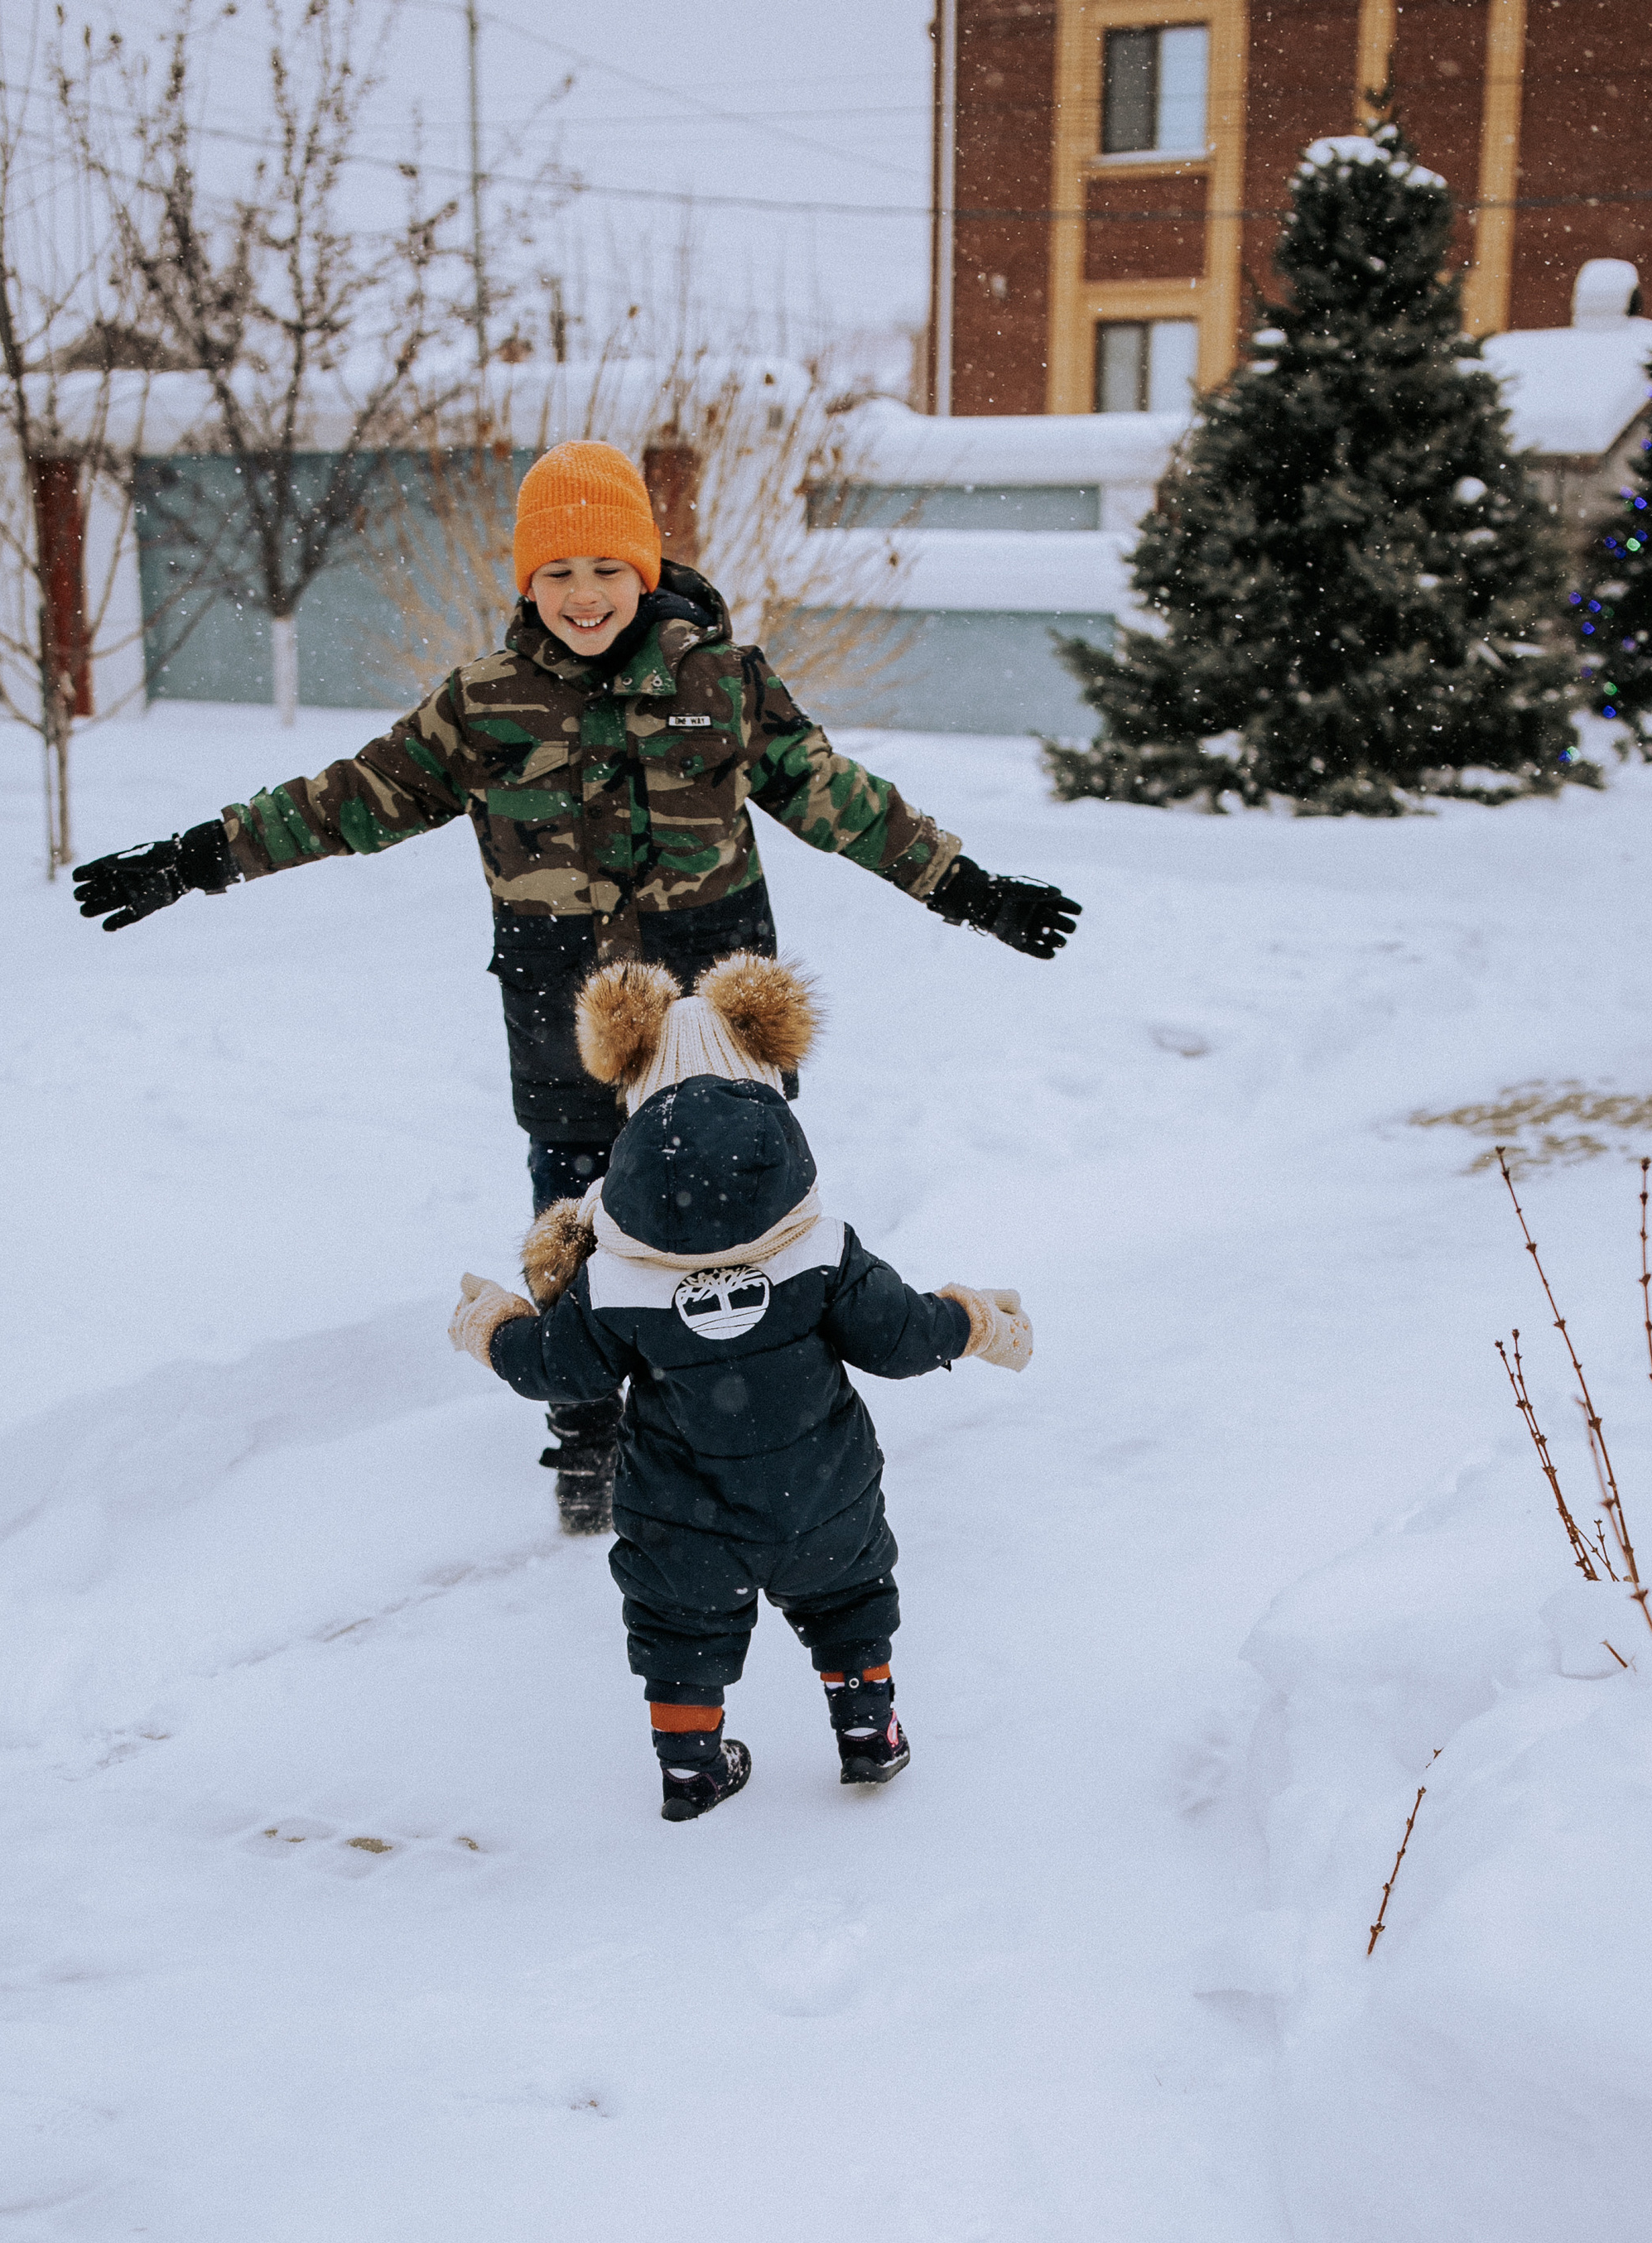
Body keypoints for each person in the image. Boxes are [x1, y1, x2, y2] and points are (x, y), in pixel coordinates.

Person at [70, 437, 1075, 1532]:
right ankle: (590, 1430)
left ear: (644, 571)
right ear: (527, 583)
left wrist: (971, 890)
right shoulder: (486, 706)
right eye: (557, 573)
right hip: (563, 1003)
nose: (583, 595)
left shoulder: (723, 686)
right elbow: (345, 801)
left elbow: (847, 804)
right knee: (575, 1210)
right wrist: (195, 857)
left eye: (605, 569)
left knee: (749, 1205)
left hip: (713, 1007)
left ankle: (761, 1403)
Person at [446, 949, 1032, 1823]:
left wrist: (491, 1324)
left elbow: (560, 1371)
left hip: (683, 1514)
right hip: (821, 1496)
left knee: (681, 1630)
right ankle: (868, 1730)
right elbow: (904, 1337)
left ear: (634, 1102)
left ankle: (691, 1769)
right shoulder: (818, 1251)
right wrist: (975, 1319)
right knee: (846, 1601)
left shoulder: (614, 1277)